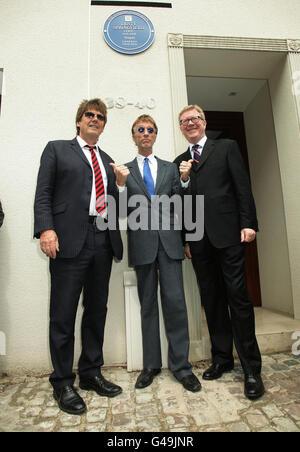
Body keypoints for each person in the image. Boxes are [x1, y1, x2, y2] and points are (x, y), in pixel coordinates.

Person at [34, 98, 123, 415]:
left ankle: (90, 373)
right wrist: (46, 229)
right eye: (90, 115)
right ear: (78, 121)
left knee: (97, 309)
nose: (95, 119)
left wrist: (120, 186)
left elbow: (114, 205)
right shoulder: (57, 149)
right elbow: (43, 192)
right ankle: (61, 382)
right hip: (68, 240)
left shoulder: (109, 161)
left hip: (102, 239)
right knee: (63, 313)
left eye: (101, 117)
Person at [174, 105, 264, 400]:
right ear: (181, 128)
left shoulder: (225, 147)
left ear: (204, 122)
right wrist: (186, 238)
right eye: (185, 121)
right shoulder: (181, 162)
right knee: (211, 301)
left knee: (238, 299)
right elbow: (182, 206)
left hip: (229, 236)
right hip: (199, 242)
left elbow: (241, 186)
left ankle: (251, 368)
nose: (190, 124)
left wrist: (248, 222)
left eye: (194, 119)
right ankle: (222, 359)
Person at [110, 114, 201, 393]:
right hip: (143, 246)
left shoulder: (170, 168)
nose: (146, 133)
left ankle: (182, 367)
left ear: (156, 135)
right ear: (134, 135)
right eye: (140, 130)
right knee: (148, 306)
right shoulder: (123, 170)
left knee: (176, 305)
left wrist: (184, 180)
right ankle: (151, 366)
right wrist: (121, 186)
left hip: (170, 244)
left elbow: (182, 203)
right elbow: (122, 211)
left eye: (150, 130)